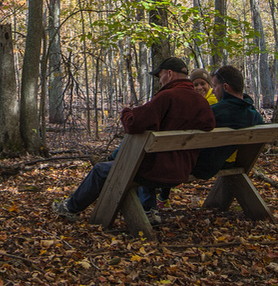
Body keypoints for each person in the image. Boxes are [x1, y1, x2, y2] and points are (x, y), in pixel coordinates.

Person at [53, 57, 214, 224]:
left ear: (170, 73)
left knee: (101, 169)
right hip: (184, 168)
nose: (160, 82)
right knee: (148, 158)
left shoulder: (167, 97)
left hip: (159, 170)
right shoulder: (201, 102)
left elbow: (134, 123)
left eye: (160, 77)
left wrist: (126, 112)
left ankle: (70, 208)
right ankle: (149, 209)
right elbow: (209, 125)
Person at [151, 68, 218, 211]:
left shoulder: (211, 103)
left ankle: (154, 203)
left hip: (200, 158)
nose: (199, 88)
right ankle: (162, 198)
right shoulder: (202, 103)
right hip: (211, 155)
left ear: (209, 85)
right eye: (195, 85)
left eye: (202, 84)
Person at [191, 65, 264, 179]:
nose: (213, 91)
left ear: (225, 87)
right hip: (235, 162)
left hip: (204, 167)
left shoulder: (214, 113)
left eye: (215, 86)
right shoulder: (253, 114)